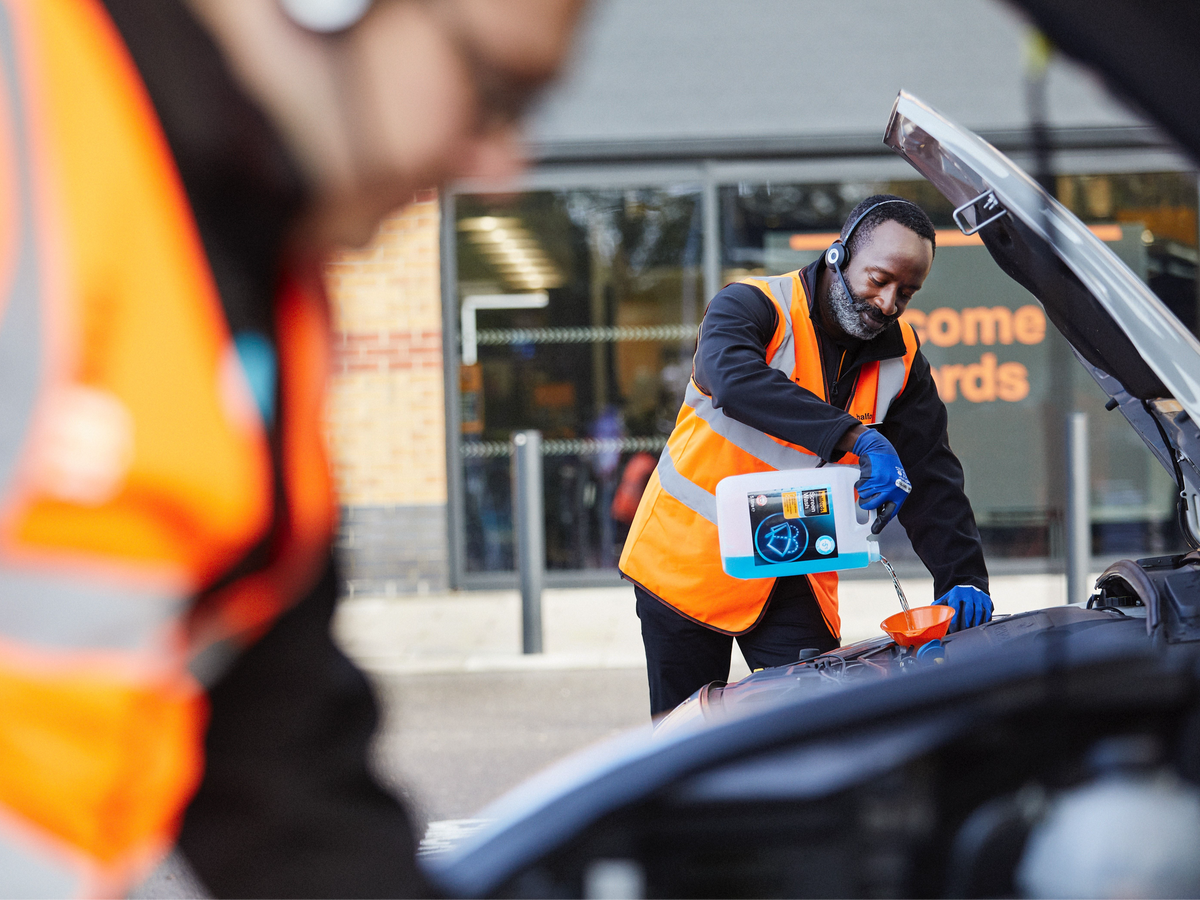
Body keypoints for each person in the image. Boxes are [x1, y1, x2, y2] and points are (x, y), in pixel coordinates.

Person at [0, 0, 583, 898]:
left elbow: (281, 778)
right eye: (493, 91)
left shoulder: (254, 275)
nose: (501, 168)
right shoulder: (29, 115)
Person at [619, 195, 993, 717]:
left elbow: (931, 475)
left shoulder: (903, 358)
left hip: (791, 567)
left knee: (815, 727)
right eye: (879, 280)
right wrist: (857, 437)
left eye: (906, 293)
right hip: (686, 562)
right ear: (838, 256)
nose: (887, 303)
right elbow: (735, 381)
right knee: (687, 741)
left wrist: (963, 577)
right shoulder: (751, 306)